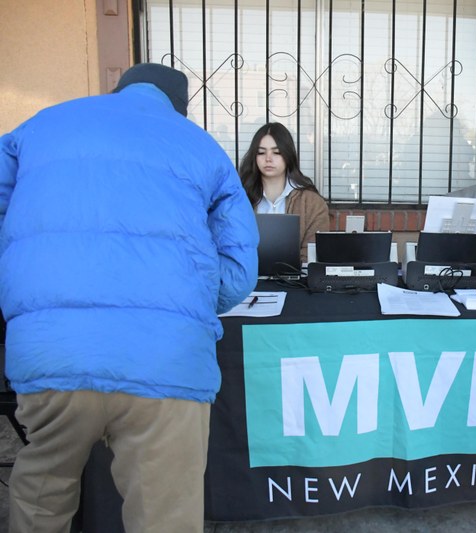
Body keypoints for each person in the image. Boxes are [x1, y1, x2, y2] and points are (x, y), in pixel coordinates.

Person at [0, 63, 258, 532]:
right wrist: (185, 297)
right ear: (179, 106)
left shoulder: (36, 129)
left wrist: (28, 284)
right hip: (167, 361)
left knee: (41, 500)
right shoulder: (199, 145)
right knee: (165, 517)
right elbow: (239, 273)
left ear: (118, 89)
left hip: (51, 354)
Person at [239, 122, 330, 262]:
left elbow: (312, 254)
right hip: (249, 280)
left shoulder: (312, 203)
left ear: (287, 155)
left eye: (276, 152)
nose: (268, 158)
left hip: (296, 282)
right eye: (261, 152)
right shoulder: (239, 198)